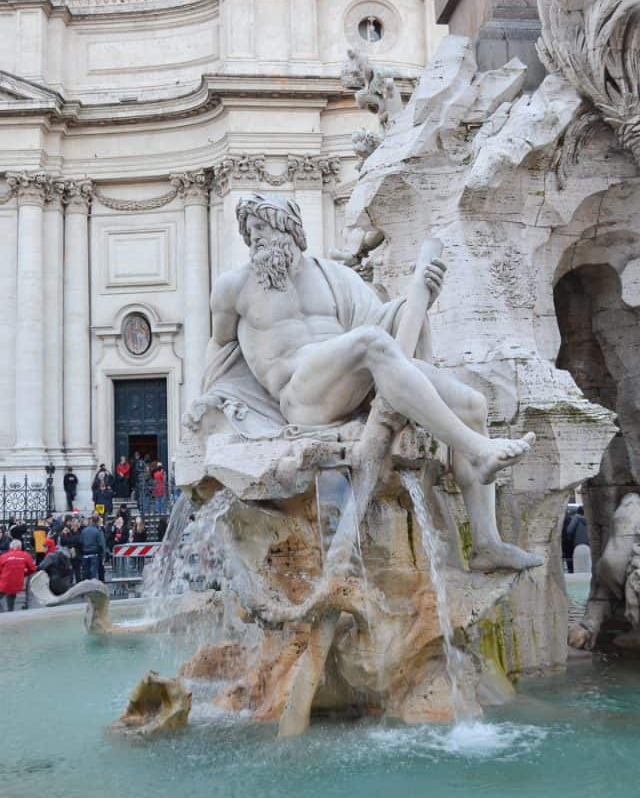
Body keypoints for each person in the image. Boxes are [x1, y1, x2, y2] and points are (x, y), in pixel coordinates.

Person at [184, 193, 541, 571]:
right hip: (300, 396)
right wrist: (214, 402)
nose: (254, 238)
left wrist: (418, 299)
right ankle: (477, 449)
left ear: (289, 230)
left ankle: (486, 543)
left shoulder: (332, 276)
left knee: (472, 404)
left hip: (350, 379)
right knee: (370, 342)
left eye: (262, 228)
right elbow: (221, 348)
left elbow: (383, 323)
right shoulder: (233, 286)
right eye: (249, 231)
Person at [0, 540, 37, 611]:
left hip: (4, 584)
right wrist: (24, 574)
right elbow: (33, 569)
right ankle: (10, 611)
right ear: (20, 547)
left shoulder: (3, 556)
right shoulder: (26, 555)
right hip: (17, 584)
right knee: (11, 594)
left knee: (6, 589)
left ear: (10, 547)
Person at [80, 513, 105, 581]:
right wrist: (102, 555)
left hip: (85, 554)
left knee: (85, 573)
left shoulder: (84, 530)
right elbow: (100, 544)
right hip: (94, 554)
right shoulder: (97, 531)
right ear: (97, 521)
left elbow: (81, 542)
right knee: (93, 573)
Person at [64, 518, 83, 585]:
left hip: (78, 553)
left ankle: (79, 585)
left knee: (77, 571)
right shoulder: (69, 532)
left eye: (76, 523)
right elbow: (66, 541)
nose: (75, 525)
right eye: (73, 523)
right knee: (71, 572)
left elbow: (79, 541)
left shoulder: (80, 531)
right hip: (70, 554)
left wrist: (72, 542)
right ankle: (70, 585)